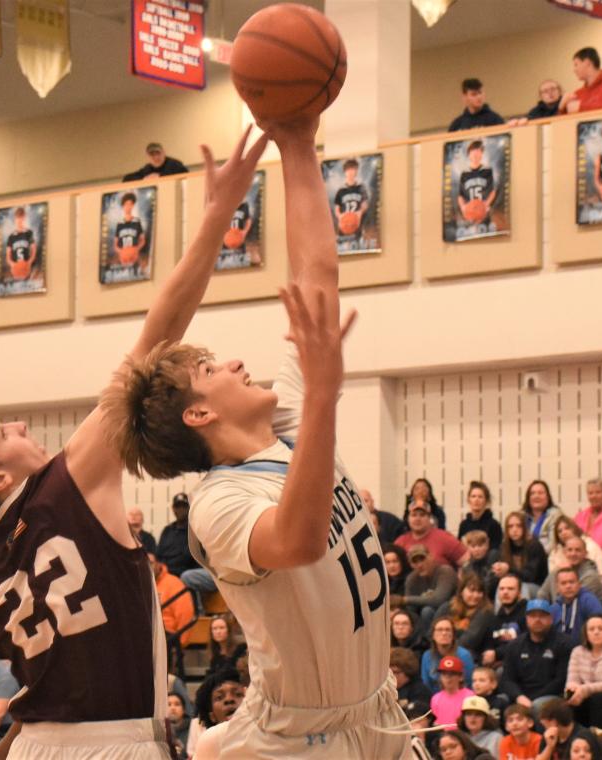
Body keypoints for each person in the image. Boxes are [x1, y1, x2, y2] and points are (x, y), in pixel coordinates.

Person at [0, 126, 270, 760]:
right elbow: (160, 333)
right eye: (3, 433)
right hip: (117, 744)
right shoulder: (76, 476)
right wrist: (218, 219)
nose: (23, 429)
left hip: (34, 746)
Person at [103, 116, 411, 758]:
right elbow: (296, 540)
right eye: (212, 370)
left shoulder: (287, 427)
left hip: (376, 715)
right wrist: (324, 396)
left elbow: (316, 276)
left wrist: (299, 144)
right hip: (301, 742)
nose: (237, 364)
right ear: (198, 416)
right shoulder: (219, 506)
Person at [499, 600, 573, 716]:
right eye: (533, 616)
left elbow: (561, 680)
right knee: (499, 702)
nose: (537, 620)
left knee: (538, 706)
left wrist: (532, 700)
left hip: (552, 696)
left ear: (551, 619)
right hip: (522, 696)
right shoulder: (515, 645)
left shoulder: (564, 644)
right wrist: (519, 697)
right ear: (527, 619)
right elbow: (507, 679)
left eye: (542, 616)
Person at [461, 573, 527, 666]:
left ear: (519, 593)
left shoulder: (527, 613)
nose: (505, 592)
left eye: (510, 589)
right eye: (502, 589)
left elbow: (525, 643)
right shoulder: (495, 617)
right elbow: (489, 643)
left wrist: (497, 654)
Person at [396, 543, 459, 634]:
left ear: (431, 557)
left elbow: (439, 599)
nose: (420, 565)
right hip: (425, 619)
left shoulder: (445, 571)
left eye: (422, 559)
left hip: (452, 614)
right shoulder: (412, 579)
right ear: (411, 565)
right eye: (415, 562)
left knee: (431, 609)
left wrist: (405, 600)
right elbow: (410, 610)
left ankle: (430, 637)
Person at [396, 501, 469, 570]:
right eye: (414, 515)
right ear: (408, 519)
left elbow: (468, 562)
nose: (417, 519)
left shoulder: (445, 538)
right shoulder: (400, 542)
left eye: (422, 515)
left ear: (429, 518)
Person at [538, 536, 602, 606]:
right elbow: (542, 594)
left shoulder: (591, 576)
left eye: (578, 550)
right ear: (564, 552)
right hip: (560, 612)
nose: (573, 554)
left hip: (588, 615)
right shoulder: (558, 570)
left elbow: (572, 600)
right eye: (570, 550)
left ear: (585, 553)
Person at [492, 512, 548, 597]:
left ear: (525, 528)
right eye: (510, 526)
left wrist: (508, 569)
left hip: (536, 587)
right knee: (502, 588)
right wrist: (498, 571)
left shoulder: (534, 546)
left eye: (519, 526)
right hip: (512, 585)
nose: (514, 530)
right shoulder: (504, 547)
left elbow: (530, 577)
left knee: (522, 588)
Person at [547, 518, 602, 589]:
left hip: (591, 588)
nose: (563, 533)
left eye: (567, 528)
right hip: (562, 590)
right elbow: (552, 580)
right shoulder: (555, 552)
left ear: (574, 528)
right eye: (559, 531)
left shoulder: (591, 546)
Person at [535, 698, 602, 760]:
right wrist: (549, 747)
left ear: (554, 723)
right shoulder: (549, 737)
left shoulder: (583, 737)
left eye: (545, 726)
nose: (545, 730)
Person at [550, 567, 602, 645]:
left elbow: (600, 626)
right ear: (557, 587)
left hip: (586, 649)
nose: (568, 586)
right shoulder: (554, 608)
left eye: (571, 582)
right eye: (563, 583)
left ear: (579, 584)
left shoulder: (589, 600)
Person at [558, 47, 602, 114]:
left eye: (576, 64)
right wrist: (562, 108)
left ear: (587, 63)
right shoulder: (578, 94)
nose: (574, 70)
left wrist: (581, 107)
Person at [421, 616, 476, 694]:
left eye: (448, 630)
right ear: (433, 635)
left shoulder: (464, 655)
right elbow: (426, 684)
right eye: (440, 630)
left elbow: (469, 683)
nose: (444, 633)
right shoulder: (427, 656)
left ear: (453, 635)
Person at [430, 654, 475, 727]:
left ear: (461, 677)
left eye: (452, 674)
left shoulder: (470, 696)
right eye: (444, 674)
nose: (448, 678)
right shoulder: (435, 698)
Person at [332, 158, 369, 243]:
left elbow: (365, 204)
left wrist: (359, 212)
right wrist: (340, 216)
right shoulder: (341, 191)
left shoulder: (361, 188)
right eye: (348, 169)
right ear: (345, 172)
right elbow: (337, 208)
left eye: (353, 169)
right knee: (342, 247)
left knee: (358, 246)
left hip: (356, 221)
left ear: (356, 171)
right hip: (345, 222)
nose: (351, 172)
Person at [458, 481, 502, 549]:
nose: (476, 500)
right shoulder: (464, 525)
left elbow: (495, 549)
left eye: (480, 497)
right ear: (468, 500)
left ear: (486, 501)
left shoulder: (494, 525)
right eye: (473, 496)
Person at [522, 480, 563, 551]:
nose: (536, 496)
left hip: (545, 557)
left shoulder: (555, 515)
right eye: (532, 493)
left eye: (540, 493)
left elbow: (552, 544)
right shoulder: (521, 515)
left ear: (548, 497)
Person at [206, 613, 248, 677]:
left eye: (221, 628)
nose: (218, 632)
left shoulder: (240, 648)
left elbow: (234, 673)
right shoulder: (215, 653)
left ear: (228, 630)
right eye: (215, 629)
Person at [122, 141, 188, 182]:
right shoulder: (147, 169)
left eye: (158, 153)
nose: (156, 157)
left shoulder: (174, 164)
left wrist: (160, 176)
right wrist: (144, 179)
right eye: (152, 155)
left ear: (164, 152)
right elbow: (126, 178)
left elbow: (185, 174)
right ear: (147, 156)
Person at [5, 206, 37, 281]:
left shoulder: (29, 233)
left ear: (24, 219)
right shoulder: (11, 236)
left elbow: (34, 250)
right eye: (18, 219)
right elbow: (7, 256)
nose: (19, 222)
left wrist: (29, 262)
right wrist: (13, 264)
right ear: (15, 219)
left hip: (27, 268)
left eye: (21, 219)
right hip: (16, 269)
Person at [167, 691, 191, 760]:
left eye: (177, 704)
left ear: (183, 710)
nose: (173, 708)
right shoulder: (160, 731)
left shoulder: (192, 728)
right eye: (168, 704)